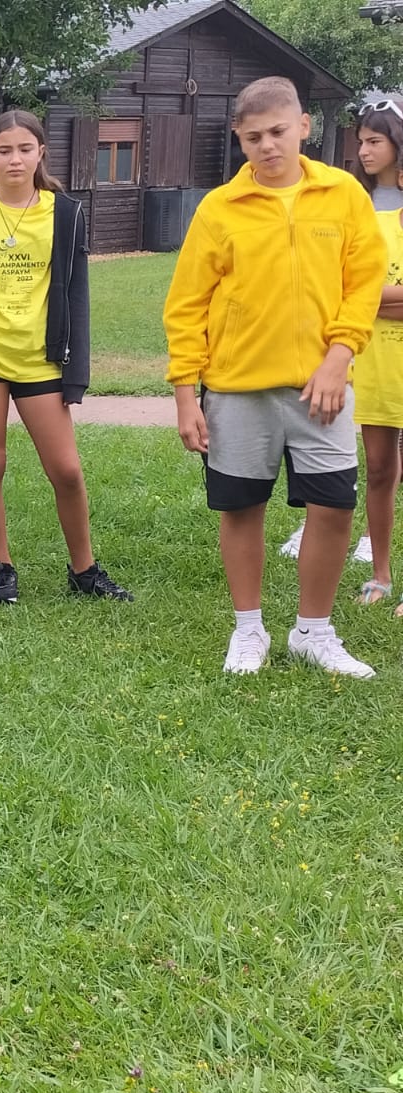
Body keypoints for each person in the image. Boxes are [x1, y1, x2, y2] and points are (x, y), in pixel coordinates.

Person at [164, 76, 387, 676]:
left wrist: (339, 356)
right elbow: (186, 304)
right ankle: (250, 628)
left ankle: (313, 630)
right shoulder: (220, 208)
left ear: (306, 127)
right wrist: (187, 397)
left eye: (279, 132)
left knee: (336, 505)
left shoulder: (343, 195)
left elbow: (363, 283)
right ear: (239, 138)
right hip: (237, 388)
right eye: (253, 137)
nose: (267, 146)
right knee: (243, 508)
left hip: (323, 387)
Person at [0, 109, 132, 606]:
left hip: (41, 360)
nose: (15, 158)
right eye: (5, 150)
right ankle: (2, 568)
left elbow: (77, 295)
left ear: (41, 153)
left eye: (25, 149)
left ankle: (84, 568)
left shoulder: (65, 213)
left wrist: (75, 373)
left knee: (65, 469)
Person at [279, 95, 403, 574]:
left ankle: (376, 539)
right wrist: (372, 299)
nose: (365, 151)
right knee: (359, 457)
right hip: (355, 350)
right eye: (362, 142)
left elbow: (362, 291)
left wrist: (368, 298)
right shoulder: (352, 200)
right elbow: (341, 286)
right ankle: (325, 527)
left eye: (376, 141)